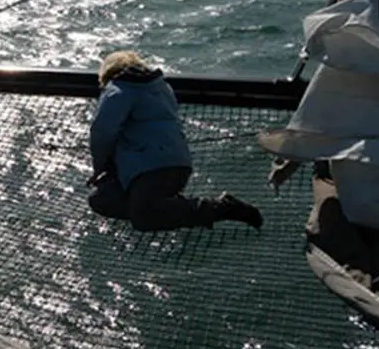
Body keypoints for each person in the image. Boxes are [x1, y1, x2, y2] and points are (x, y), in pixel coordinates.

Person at [86, 50, 264, 232]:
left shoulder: (118, 89)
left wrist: (100, 166)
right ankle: (168, 208)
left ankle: (220, 208)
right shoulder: (162, 88)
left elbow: (102, 131)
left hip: (150, 168)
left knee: (143, 219)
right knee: (101, 200)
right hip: (178, 164)